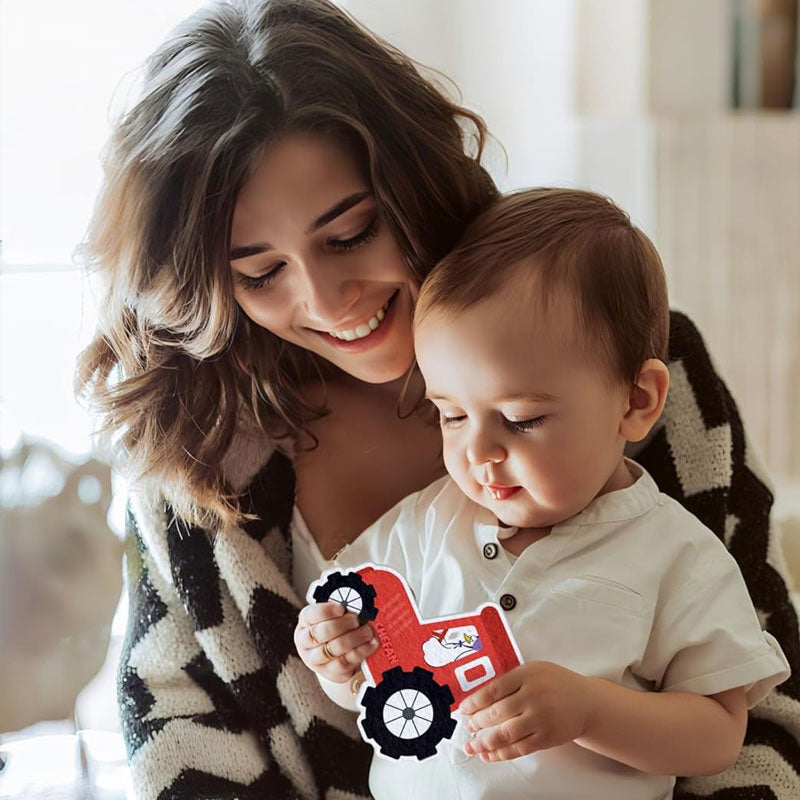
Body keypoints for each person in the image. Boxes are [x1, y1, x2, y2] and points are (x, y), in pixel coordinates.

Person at [74, 1, 799, 798]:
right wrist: (340, 658)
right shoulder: (201, 455)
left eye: (350, 234)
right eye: (260, 272)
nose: (325, 298)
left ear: (415, 182)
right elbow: (179, 736)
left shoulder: (627, 360)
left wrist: (595, 712)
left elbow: (760, 709)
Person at [295, 188, 791, 799]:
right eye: (450, 416)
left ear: (637, 402)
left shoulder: (675, 554)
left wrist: (591, 712)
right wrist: (338, 658)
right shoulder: (423, 527)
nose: (477, 453)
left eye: (521, 419)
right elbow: (372, 674)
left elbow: (718, 736)